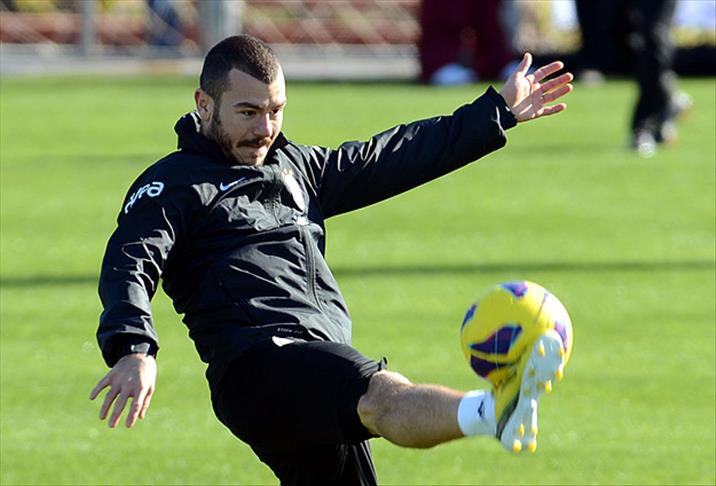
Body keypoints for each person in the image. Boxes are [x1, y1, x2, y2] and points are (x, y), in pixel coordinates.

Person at [89, 35, 573, 485]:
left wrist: (496, 112)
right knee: (380, 398)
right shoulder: (172, 186)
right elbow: (131, 263)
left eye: (275, 111)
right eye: (248, 112)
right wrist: (134, 348)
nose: (264, 129)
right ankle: (494, 411)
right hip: (258, 366)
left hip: (315, 364)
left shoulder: (297, 169)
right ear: (204, 104)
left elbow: (394, 155)